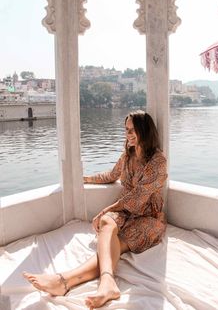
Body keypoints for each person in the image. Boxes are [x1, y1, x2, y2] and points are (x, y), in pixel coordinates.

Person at [23, 110, 168, 309]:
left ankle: (65, 280)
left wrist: (104, 209)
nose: (128, 135)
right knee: (107, 222)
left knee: (112, 242)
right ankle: (107, 282)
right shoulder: (128, 155)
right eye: (126, 130)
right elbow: (111, 175)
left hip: (149, 217)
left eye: (133, 130)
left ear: (145, 130)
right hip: (125, 211)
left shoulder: (158, 161)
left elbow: (139, 197)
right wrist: (84, 179)